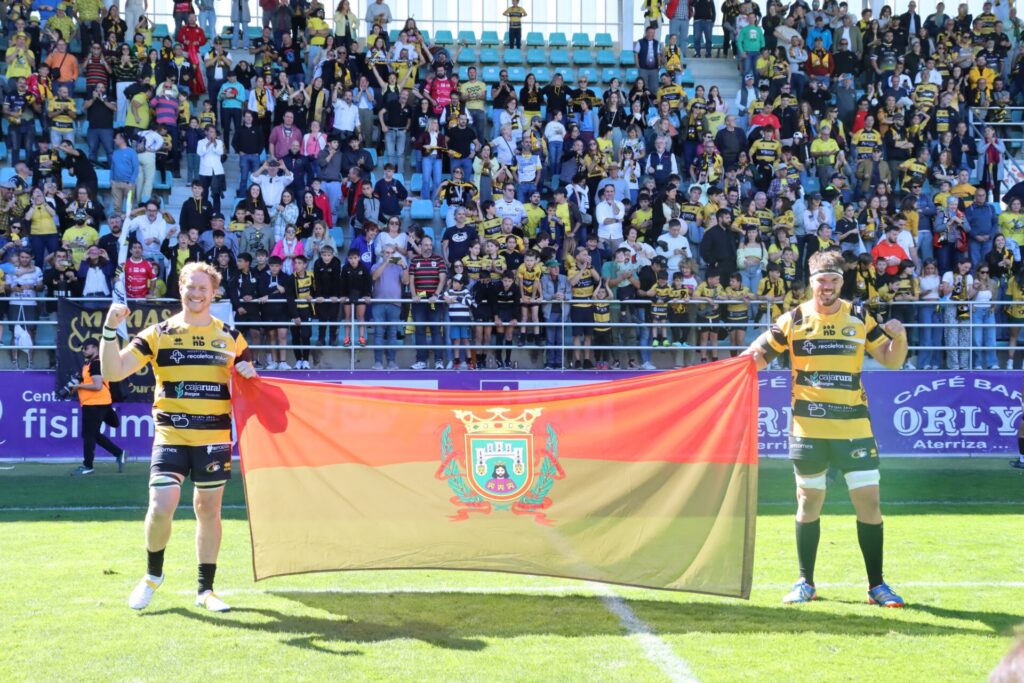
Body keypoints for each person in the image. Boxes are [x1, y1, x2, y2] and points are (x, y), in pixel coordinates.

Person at [744, 250, 908, 608]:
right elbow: (754, 357)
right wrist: (732, 368)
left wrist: (901, 336)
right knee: (808, 502)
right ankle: (805, 582)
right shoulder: (793, 319)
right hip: (808, 430)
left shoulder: (861, 317)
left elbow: (892, 361)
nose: (828, 286)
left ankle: (876, 586)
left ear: (841, 281)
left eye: (834, 280)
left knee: (870, 503)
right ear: (811, 282)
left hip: (854, 428)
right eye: (821, 280)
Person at [100, 262, 257, 613]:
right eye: (190, 287)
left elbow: (251, 384)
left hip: (214, 438)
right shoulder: (159, 333)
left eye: (203, 288)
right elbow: (114, 371)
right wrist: (110, 330)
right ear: (180, 288)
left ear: (213, 293)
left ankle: (206, 590)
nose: (196, 293)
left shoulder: (232, 337)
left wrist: (248, 371)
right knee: (161, 506)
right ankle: (152, 576)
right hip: (171, 436)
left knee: (208, 510)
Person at [71, 338, 126, 477]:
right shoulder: (90, 363)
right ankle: (119, 453)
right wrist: (77, 386)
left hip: (95, 404)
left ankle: (88, 466)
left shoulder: (95, 363)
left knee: (89, 435)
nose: (84, 350)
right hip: (97, 403)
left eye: (86, 347)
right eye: (82, 348)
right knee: (92, 434)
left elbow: (97, 386)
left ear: (95, 348)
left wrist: (78, 386)